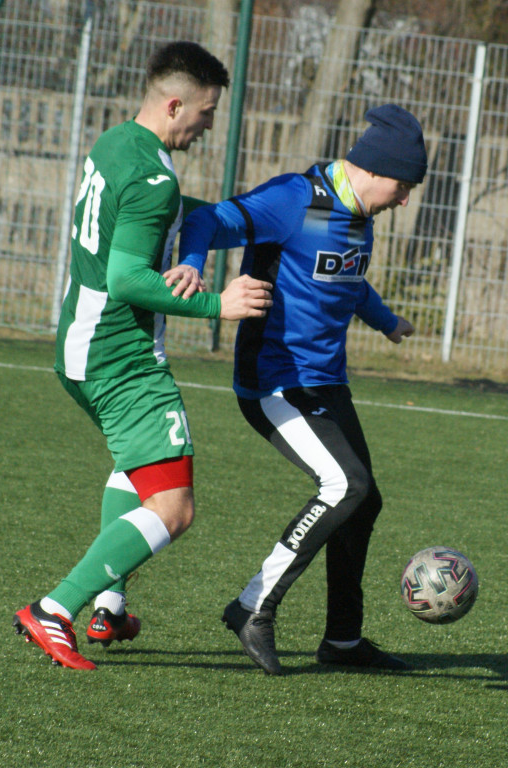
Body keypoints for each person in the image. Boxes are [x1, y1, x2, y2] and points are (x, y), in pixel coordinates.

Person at [12, 41, 272, 670]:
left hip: (77, 346)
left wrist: (211, 221)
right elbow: (129, 278)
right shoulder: (156, 177)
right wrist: (220, 305)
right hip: (120, 358)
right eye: (206, 114)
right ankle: (55, 610)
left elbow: (146, 217)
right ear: (175, 103)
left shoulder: (114, 144)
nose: (208, 127)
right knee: (174, 508)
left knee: (136, 470)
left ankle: (108, 604)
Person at [178, 104, 427, 674]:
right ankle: (252, 607)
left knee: (364, 502)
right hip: (275, 381)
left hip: (326, 382)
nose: (406, 199)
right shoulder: (295, 197)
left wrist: (386, 320)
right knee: (346, 486)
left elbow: (346, 276)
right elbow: (206, 221)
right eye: (404, 186)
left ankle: (342, 641)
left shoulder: (358, 211)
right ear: (376, 170)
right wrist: (193, 265)